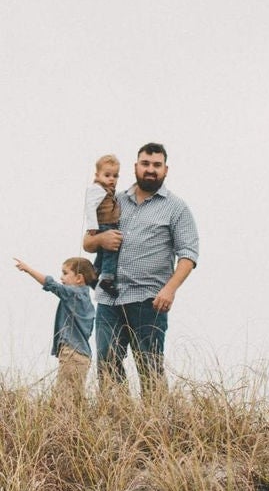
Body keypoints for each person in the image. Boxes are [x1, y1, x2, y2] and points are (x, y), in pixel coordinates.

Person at [83, 142, 199, 396]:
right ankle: (118, 428)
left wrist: (169, 290)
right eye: (145, 164)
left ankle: (156, 432)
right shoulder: (114, 200)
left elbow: (189, 255)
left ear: (165, 170)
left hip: (149, 301)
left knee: (150, 370)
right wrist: (101, 240)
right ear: (136, 167)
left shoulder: (176, 208)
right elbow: (88, 242)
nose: (150, 170)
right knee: (107, 367)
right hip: (109, 299)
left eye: (156, 165)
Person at [14, 254, 96, 404]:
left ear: (79, 278)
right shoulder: (86, 300)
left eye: (65, 273)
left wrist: (28, 269)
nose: (61, 277)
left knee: (63, 400)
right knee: (74, 398)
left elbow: (50, 284)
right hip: (83, 355)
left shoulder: (73, 294)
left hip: (72, 353)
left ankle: (66, 427)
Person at [84, 153, 121, 295]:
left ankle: (94, 275)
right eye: (107, 175)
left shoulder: (108, 191)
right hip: (104, 225)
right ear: (97, 175)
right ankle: (107, 279)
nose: (112, 179)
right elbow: (90, 206)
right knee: (111, 251)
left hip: (107, 224)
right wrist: (93, 226)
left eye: (115, 175)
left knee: (103, 253)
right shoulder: (97, 189)